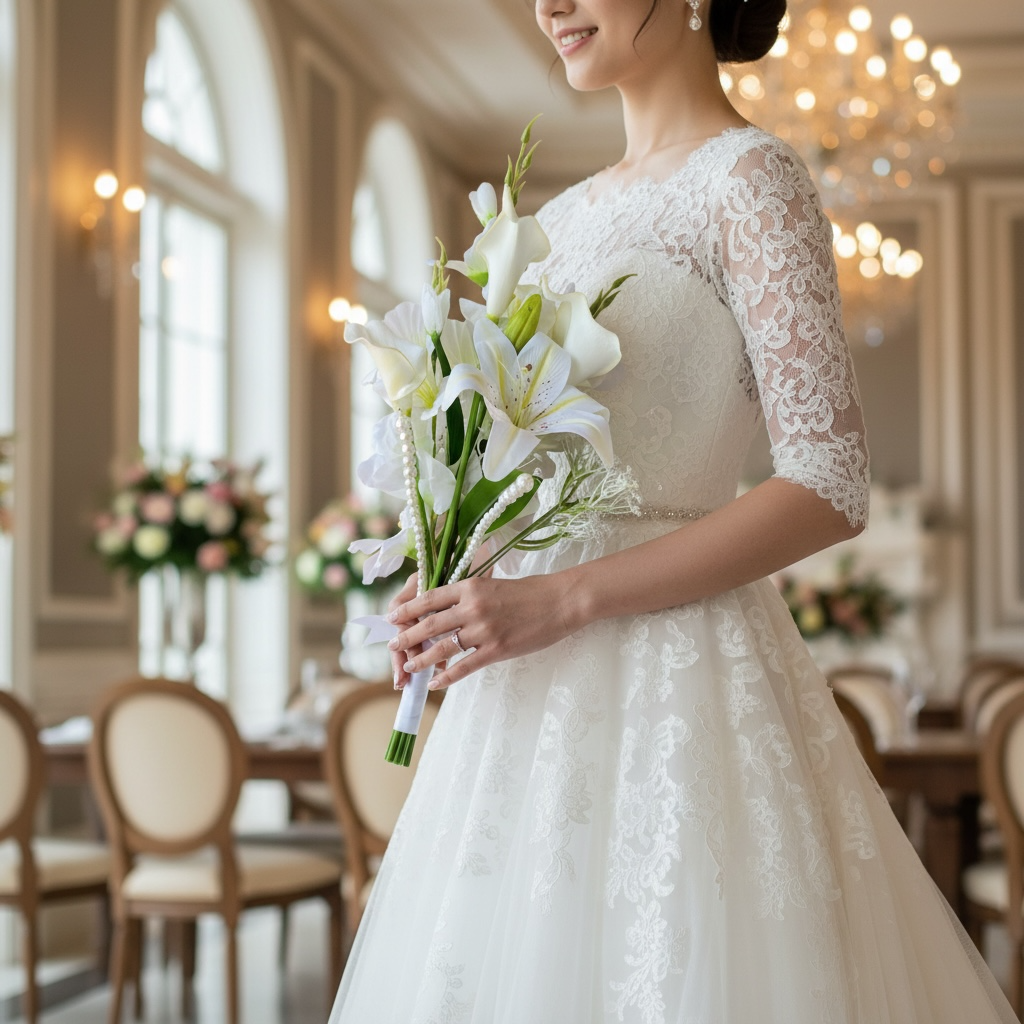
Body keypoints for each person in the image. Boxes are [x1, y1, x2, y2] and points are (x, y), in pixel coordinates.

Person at [329, 1, 1016, 1021]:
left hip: (679, 684)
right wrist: (461, 572)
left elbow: (828, 482)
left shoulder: (751, 180)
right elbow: (529, 460)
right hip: (517, 696)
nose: (549, 4)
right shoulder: (551, 222)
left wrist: (560, 600)